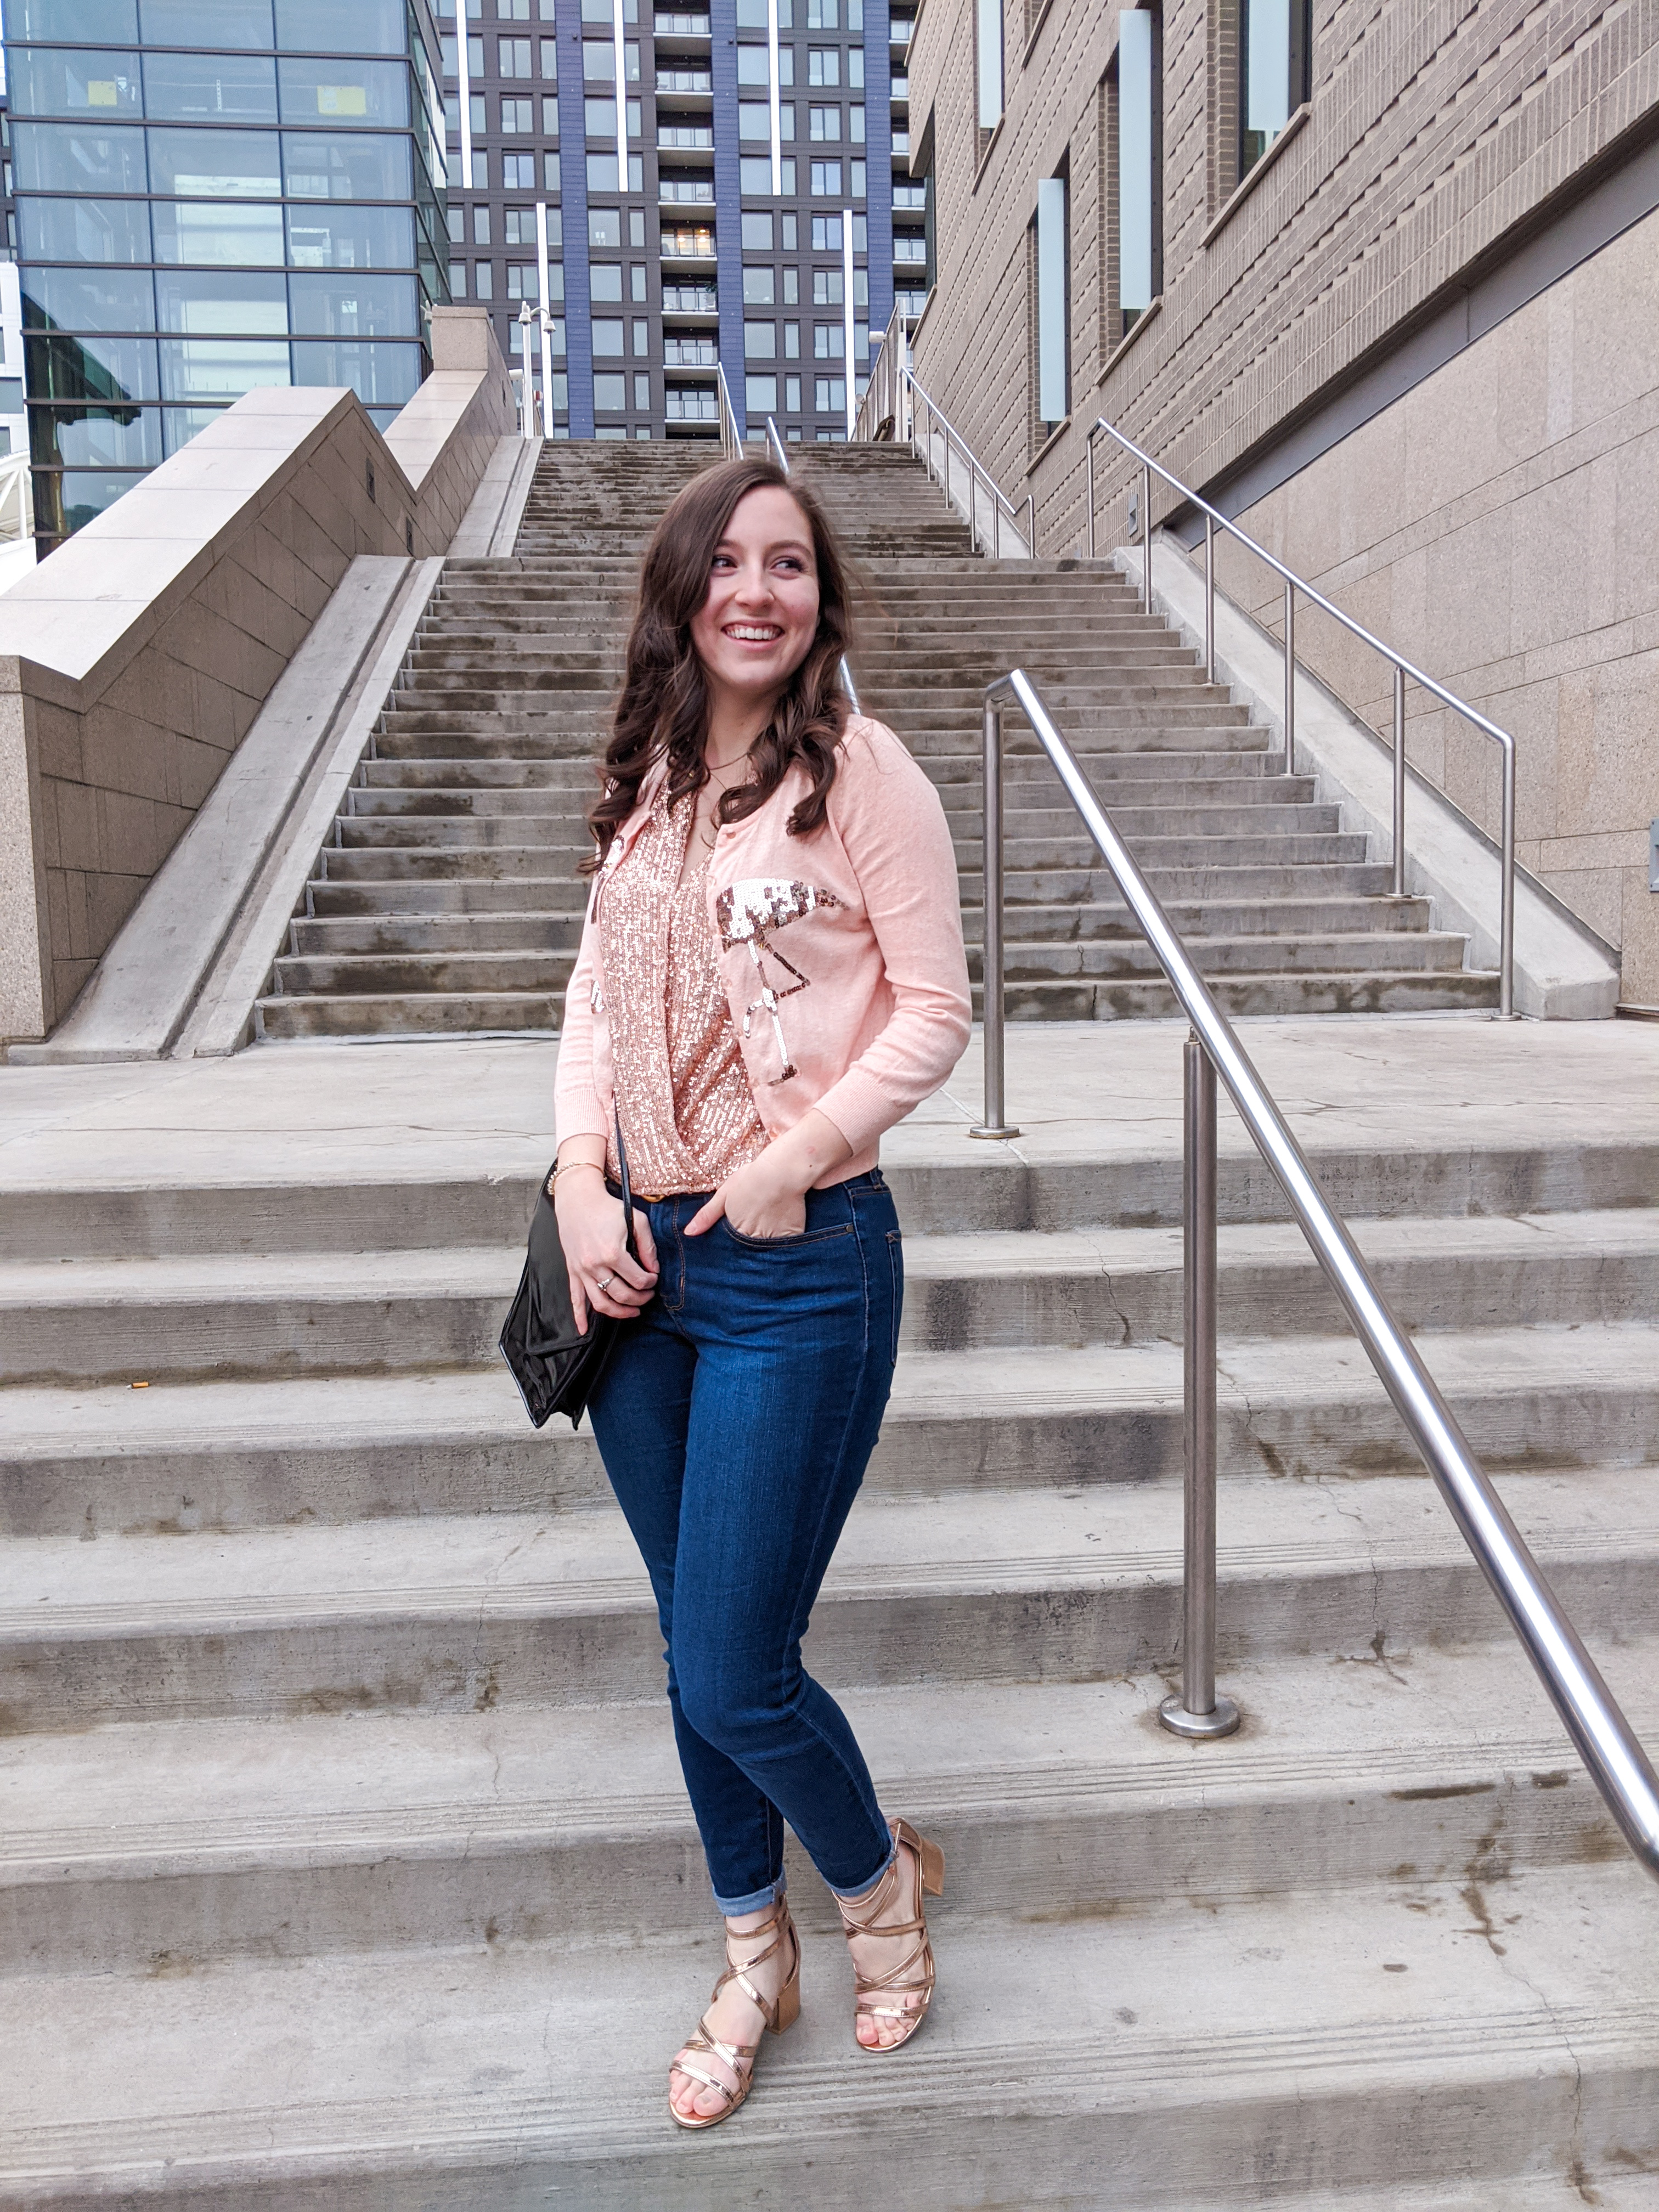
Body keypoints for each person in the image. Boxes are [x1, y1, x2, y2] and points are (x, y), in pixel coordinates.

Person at [550, 455, 972, 2129]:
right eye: (726, 561)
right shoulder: (643, 782)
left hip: (800, 1269)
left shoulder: (863, 773)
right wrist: (578, 1178)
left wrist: (798, 1152)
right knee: (691, 1647)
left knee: (734, 1664)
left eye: (788, 564)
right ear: (683, 589)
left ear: (819, 602)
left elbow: (934, 1009)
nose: (756, 589)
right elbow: (591, 999)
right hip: (636, 1268)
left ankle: (876, 1901)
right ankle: (752, 1948)